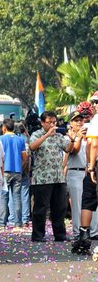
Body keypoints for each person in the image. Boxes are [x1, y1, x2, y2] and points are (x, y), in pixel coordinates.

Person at [29, 110, 74, 242]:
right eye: (49, 122)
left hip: (58, 177)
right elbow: (32, 146)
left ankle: (60, 235)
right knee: (41, 208)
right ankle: (38, 235)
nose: (52, 125)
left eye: (54, 122)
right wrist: (47, 135)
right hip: (42, 178)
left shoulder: (58, 136)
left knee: (60, 207)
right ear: (42, 123)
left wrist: (72, 139)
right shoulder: (36, 134)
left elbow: (68, 149)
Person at [64, 110, 96, 242]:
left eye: (81, 120)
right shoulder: (69, 138)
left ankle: (93, 231)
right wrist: (77, 136)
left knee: (91, 202)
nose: (79, 122)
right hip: (75, 172)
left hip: (88, 171)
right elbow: (74, 151)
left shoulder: (89, 136)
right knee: (77, 204)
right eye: (76, 120)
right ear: (71, 123)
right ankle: (78, 232)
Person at [72, 93, 98, 254]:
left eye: (96, 102)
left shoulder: (96, 120)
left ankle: (83, 235)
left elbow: (93, 144)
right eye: (93, 102)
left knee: (88, 198)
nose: (94, 105)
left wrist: (91, 167)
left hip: (95, 166)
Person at [0, 118, 27, 229]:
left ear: (4, 128)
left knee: (4, 198)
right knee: (17, 197)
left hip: (5, 171)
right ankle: (18, 223)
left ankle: (2, 223)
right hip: (17, 171)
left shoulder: (0, 139)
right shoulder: (20, 140)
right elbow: (25, 156)